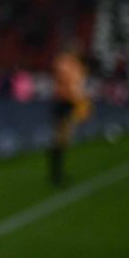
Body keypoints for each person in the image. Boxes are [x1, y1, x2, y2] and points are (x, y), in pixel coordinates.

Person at [48, 50, 90, 186]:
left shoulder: (75, 65)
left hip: (69, 103)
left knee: (64, 139)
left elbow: (77, 86)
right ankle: (56, 174)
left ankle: (57, 172)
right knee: (60, 138)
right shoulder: (65, 63)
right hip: (64, 103)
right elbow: (67, 82)